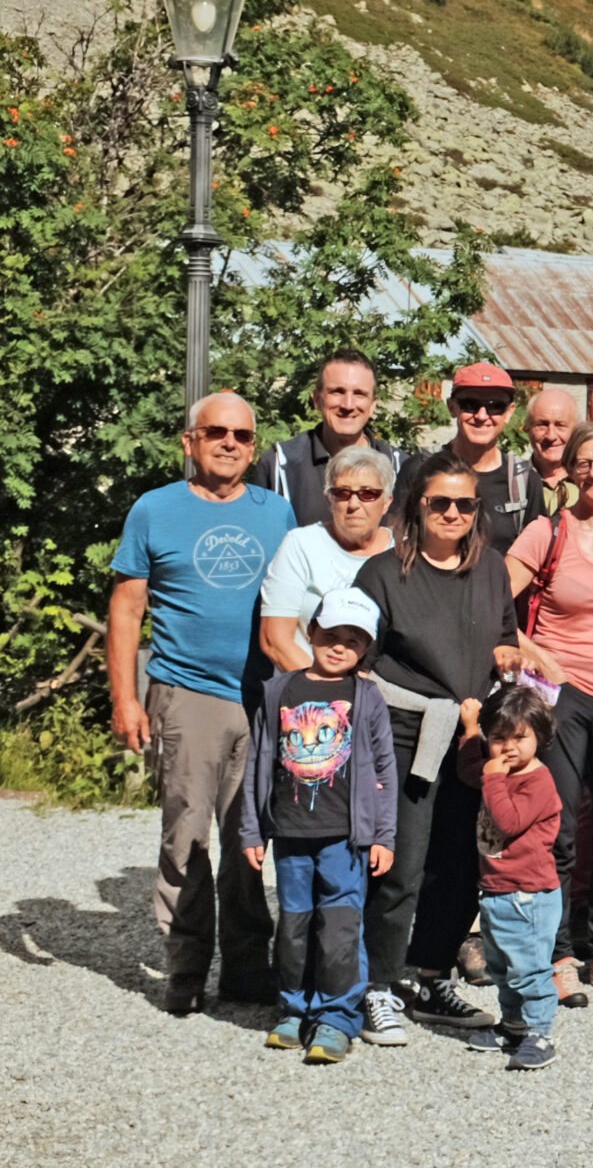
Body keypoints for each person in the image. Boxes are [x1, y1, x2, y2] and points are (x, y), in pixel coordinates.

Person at [108, 391, 297, 1015]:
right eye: (216, 432)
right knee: (186, 837)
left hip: (261, 697)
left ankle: (246, 969)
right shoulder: (155, 509)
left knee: (250, 837)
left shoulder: (278, 512)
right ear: (190, 442)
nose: (229, 444)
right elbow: (127, 609)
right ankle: (186, 968)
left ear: (253, 446)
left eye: (242, 436)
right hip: (187, 693)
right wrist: (125, 699)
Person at [353, 448, 520, 1043]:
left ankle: (429, 976)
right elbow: (358, 662)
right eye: (440, 503)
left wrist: (508, 656)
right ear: (416, 506)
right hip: (404, 736)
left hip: (471, 736)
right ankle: (377, 985)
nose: (453, 514)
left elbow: (505, 636)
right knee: (400, 865)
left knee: (459, 865)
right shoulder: (381, 574)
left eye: (465, 505)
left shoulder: (492, 569)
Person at [505, 421, 593, 1004]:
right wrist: (538, 657)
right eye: (584, 461)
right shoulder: (547, 532)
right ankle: (559, 951)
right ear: (568, 469)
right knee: (559, 830)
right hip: (559, 697)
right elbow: (492, 604)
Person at [241, 588, 395, 1065]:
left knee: (340, 928)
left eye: (354, 640)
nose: (340, 646)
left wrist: (384, 835)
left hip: (345, 839)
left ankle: (337, 1017)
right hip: (290, 835)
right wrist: (252, 830)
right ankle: (293, 1009)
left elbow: (385, 770)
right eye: (331, 634)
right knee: (294, 926)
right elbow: (257, 764)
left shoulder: (367, 697)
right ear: (310, 632)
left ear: (366, 648)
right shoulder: (278, 692)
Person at [455, 686, 565, 1071]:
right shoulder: (497, 771)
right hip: (496, 889)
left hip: (529, 895)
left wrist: (493, 778)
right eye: (499, 738)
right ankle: (514, 1026)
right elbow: (469, 771)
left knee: (529, 969)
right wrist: (471, 732)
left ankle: (540, 1033)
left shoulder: (538, 781)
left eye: (520, 737)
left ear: (540, 737)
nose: (508, 748)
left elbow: (508, 821)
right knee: (502, 968)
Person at [259, 445, 396, 671]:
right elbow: (275, 640)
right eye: (342, 493)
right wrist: (327, 687)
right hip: (306, 685)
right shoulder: (301, 545)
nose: (354, 504)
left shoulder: (402, 552)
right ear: (328, 499)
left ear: (387, 501)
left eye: (368, 494)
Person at [250, 349, 402, 527]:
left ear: (372, 405)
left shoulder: (399, 468)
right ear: (317, 399)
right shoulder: (279, 466)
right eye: (337, 392)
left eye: (359, 393)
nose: (348, 405)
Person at [394, 362, 535, 552]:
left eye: (495, 406)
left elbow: (534, 556)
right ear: (452, 407)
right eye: (470, 405)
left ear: (509, 412)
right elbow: (395, 539)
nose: (482, 416)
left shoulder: (524, 482)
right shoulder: (418, 469)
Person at [525, 386, 581, 516]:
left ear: (576, 430)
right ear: (528, 428)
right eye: (542, 424)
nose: (551, 436)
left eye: (560, 425)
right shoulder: (511, 483)